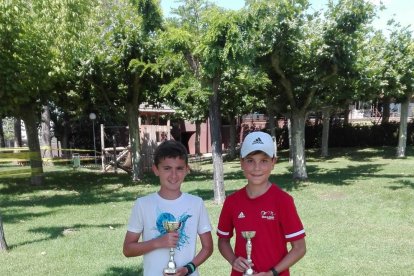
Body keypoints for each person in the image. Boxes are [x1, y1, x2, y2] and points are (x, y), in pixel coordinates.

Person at [217, 131, 306, 276]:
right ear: (241, 163)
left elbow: (299, 248)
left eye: (264, 160)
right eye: (250, 160)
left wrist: (271, 273)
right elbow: (223, 241)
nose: (256, 167)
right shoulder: (232, 201)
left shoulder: (283, 201)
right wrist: (233, 260)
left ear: (273, 162)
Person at [123, 140, 213, 276]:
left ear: (186, 170)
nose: (173, 175)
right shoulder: (143, 204)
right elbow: (128, 249)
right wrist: (158, 242)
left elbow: (208, 247)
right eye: (167, 168)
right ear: (155, 170)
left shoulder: (196, 203)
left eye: (179, 168)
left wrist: (188, 269)